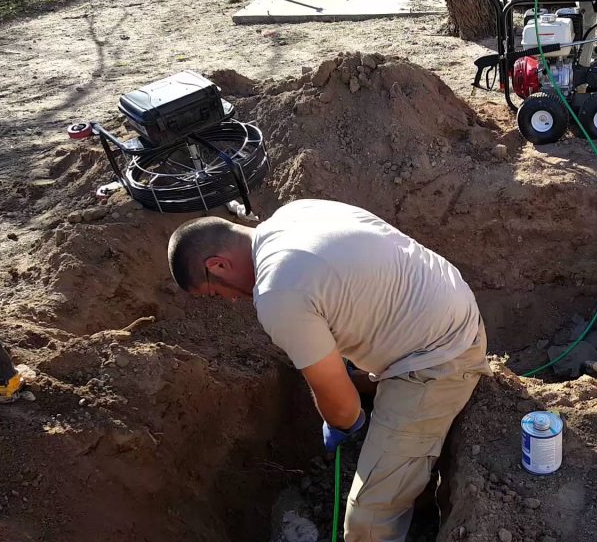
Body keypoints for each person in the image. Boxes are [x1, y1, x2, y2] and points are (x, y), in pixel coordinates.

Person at [166, 199, 490, 542]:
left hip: (439, 358)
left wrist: (342, 423)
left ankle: (399, 499)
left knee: (366, 521)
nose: (230, 300)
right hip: (450, 306)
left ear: (217, 264)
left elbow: (345, 409)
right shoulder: (296, 212)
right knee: (347, 381)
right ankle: (408, 480)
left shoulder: (278, 293)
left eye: (216, 292)